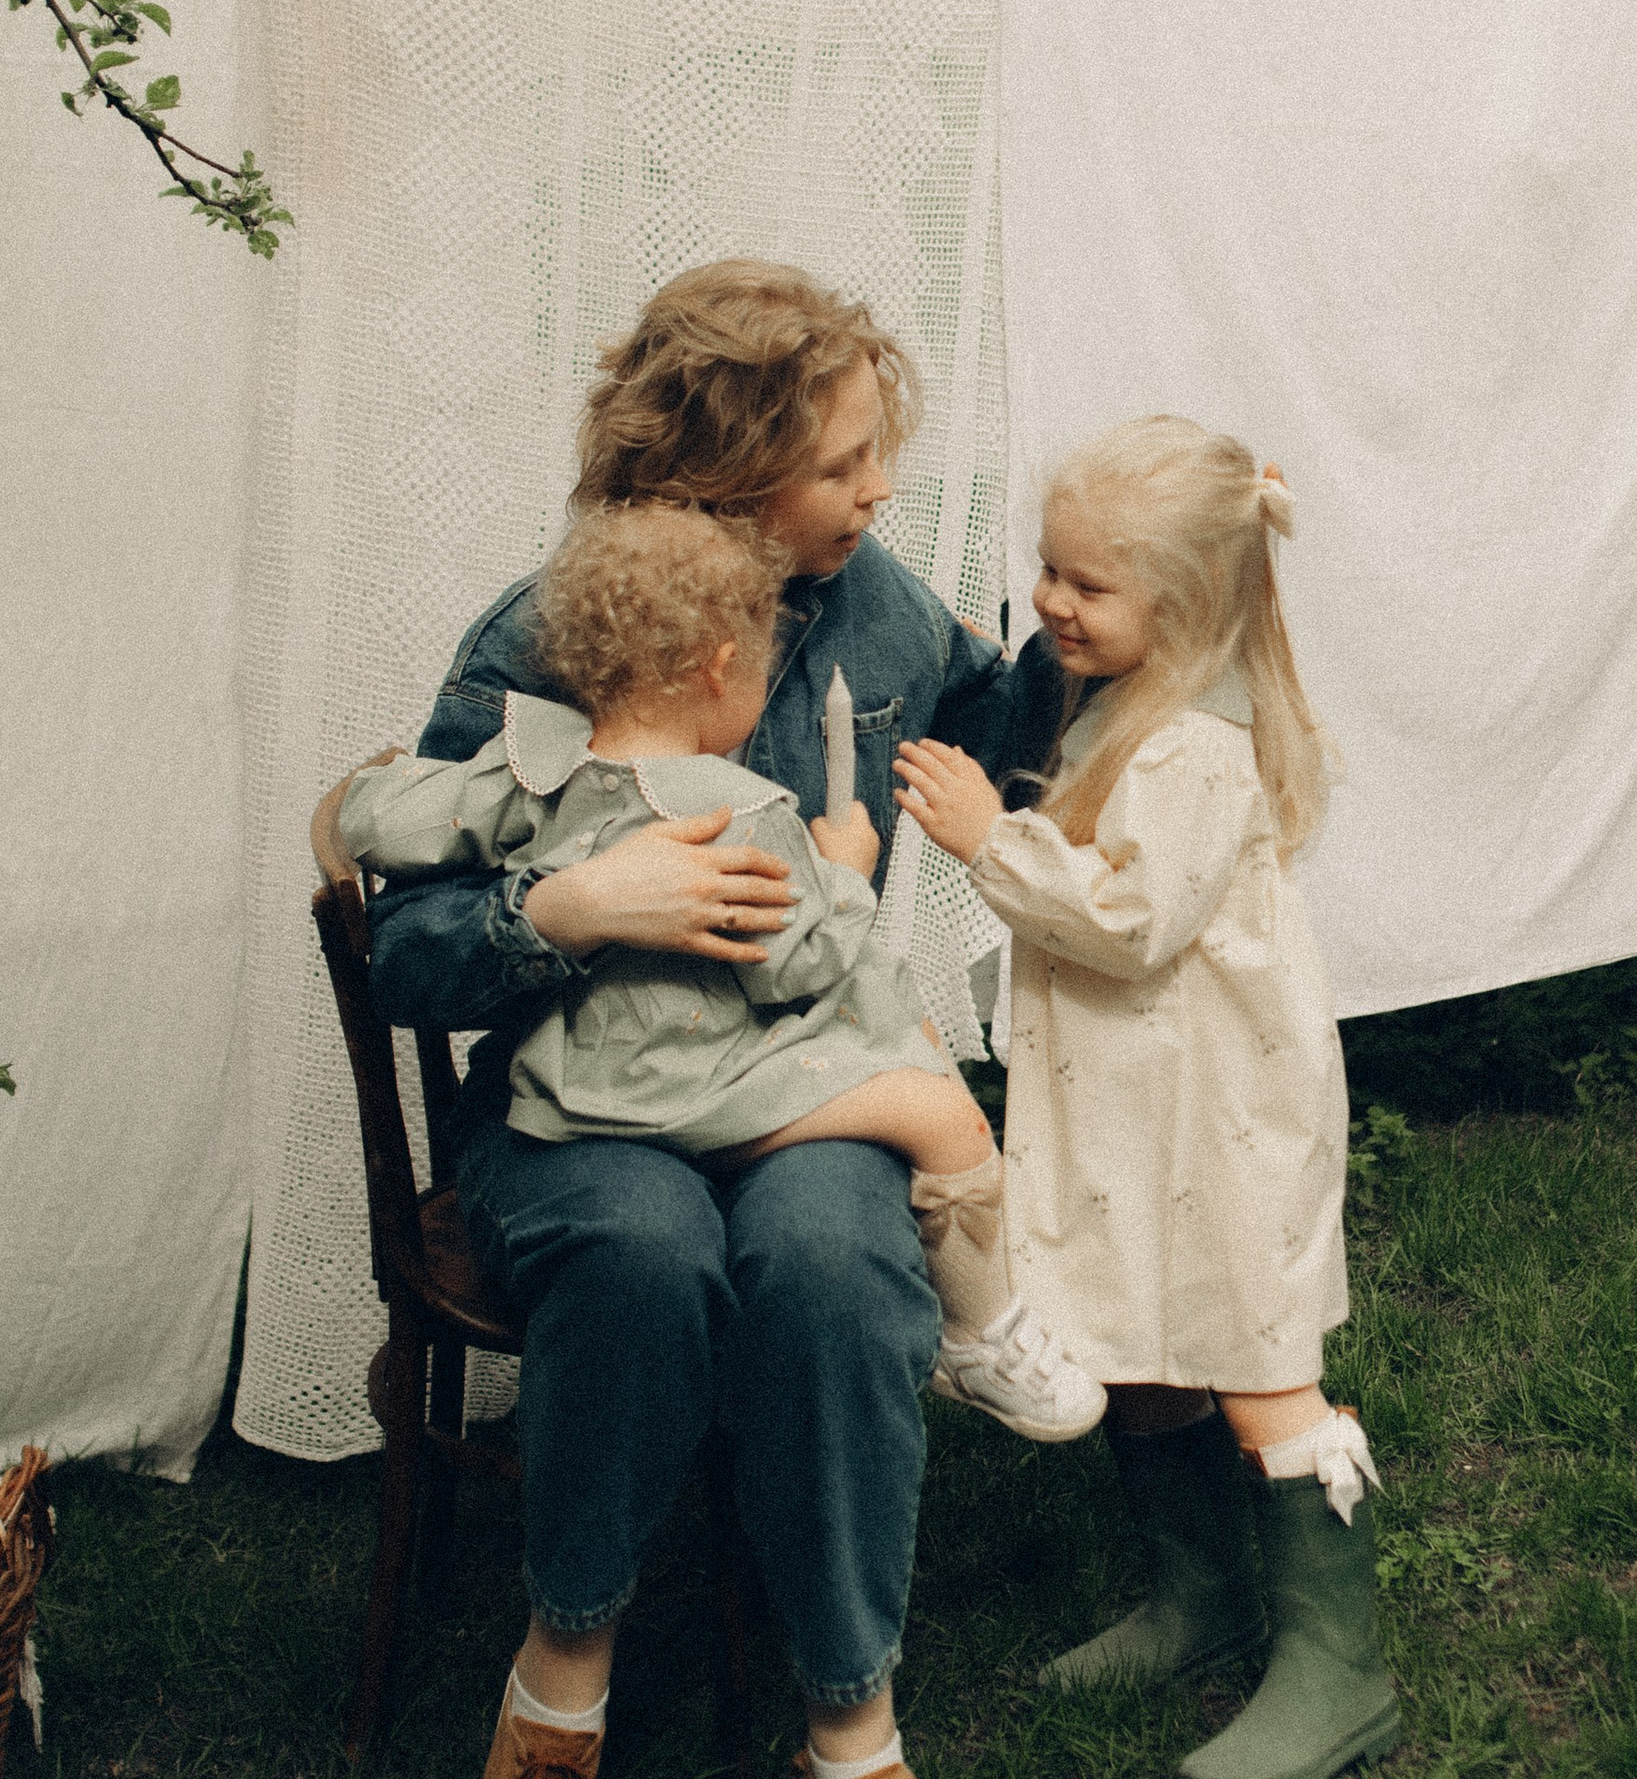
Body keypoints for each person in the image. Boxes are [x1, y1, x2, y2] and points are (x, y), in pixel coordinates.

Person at [360, 260, 1063, 1779]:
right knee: (641, 1247)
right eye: (842, 464)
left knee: (831, 1258)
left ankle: (855, 1750)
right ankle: (558, 1699)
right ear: (724, 474)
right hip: (583, 1104)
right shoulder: (553, 629)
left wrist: (1103, 615)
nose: (880, 491)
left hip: (790, 1078)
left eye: (878, 456)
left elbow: (997, 730)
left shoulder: (873, 604)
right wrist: (564, 907)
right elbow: (405, 942)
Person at [338, 502, 1101, 1444]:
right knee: (940, 1110)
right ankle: (981, 1332)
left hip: (571, 1080)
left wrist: (377, 796)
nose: (873, 489)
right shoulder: (739, 811)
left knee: (901, 1054)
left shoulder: (530, 765)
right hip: (686, 1090)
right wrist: (845, 875)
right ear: (720, 668)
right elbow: (794, 966)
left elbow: (376, 821)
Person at [894, 415, 1399, 1779]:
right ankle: (1203, 1596)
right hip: (1146, 1098)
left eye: (1086, 583)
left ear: (1179, 604)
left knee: (1253, 1352)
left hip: (1222, 1111)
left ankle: (1340, 1661)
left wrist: (986, 837)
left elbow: (1129, 920)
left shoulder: (1195, 747)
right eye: (1049, 567)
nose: (1050, 599)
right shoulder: (1125, 700)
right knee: (1150, 1330)